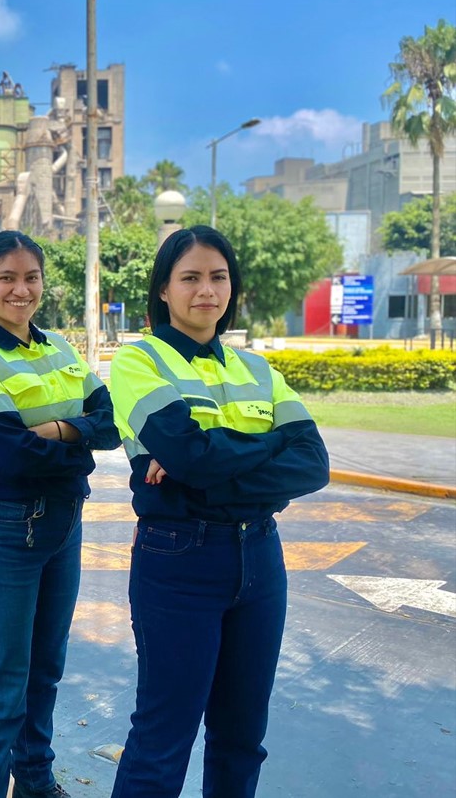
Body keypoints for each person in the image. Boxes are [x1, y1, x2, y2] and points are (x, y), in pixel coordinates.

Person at [107, 226, 330, 798]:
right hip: (179, 559)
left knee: (242, 737)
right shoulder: (139, 362)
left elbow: (312, 462)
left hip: (261, 559)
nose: (206, 290)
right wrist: (263, 447)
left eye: (218, 277)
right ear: (163, 289)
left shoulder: (258, 369)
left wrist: (205, 467)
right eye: (190, 278)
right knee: (163, 738)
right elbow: (193, 457)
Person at [0, 232, 119, 798]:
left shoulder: (60, 348)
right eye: (7, 279)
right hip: (3, 528)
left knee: (45, 669)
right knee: (4, 684)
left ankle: (37, 782)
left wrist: (59, 429)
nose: (21, 290)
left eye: (31, 278)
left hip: (64, 522)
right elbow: (12, 454)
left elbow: (113, 422)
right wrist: (79, 441)